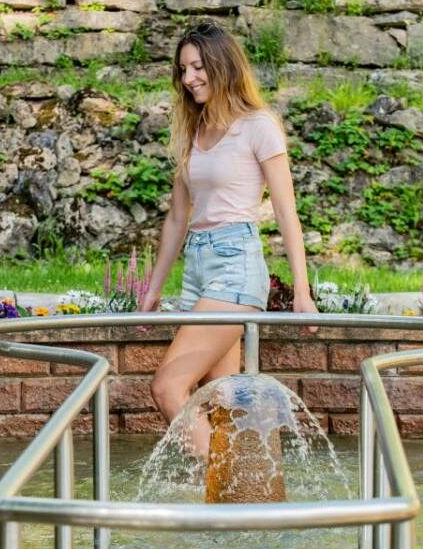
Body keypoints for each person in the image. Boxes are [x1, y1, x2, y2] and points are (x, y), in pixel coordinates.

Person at [137, 20, 318, 457]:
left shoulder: (258, 126)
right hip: (198, 269)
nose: (189, 79)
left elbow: (286, 211)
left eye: (198, 67)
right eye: (182, 70)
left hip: (236, 264)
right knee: (220, 400)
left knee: (167, 387)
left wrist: (303, 292)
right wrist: (153, 289)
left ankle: (217, 495)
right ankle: (245, 494)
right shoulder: (192, 131)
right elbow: (178, 218)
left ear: (222, 66)